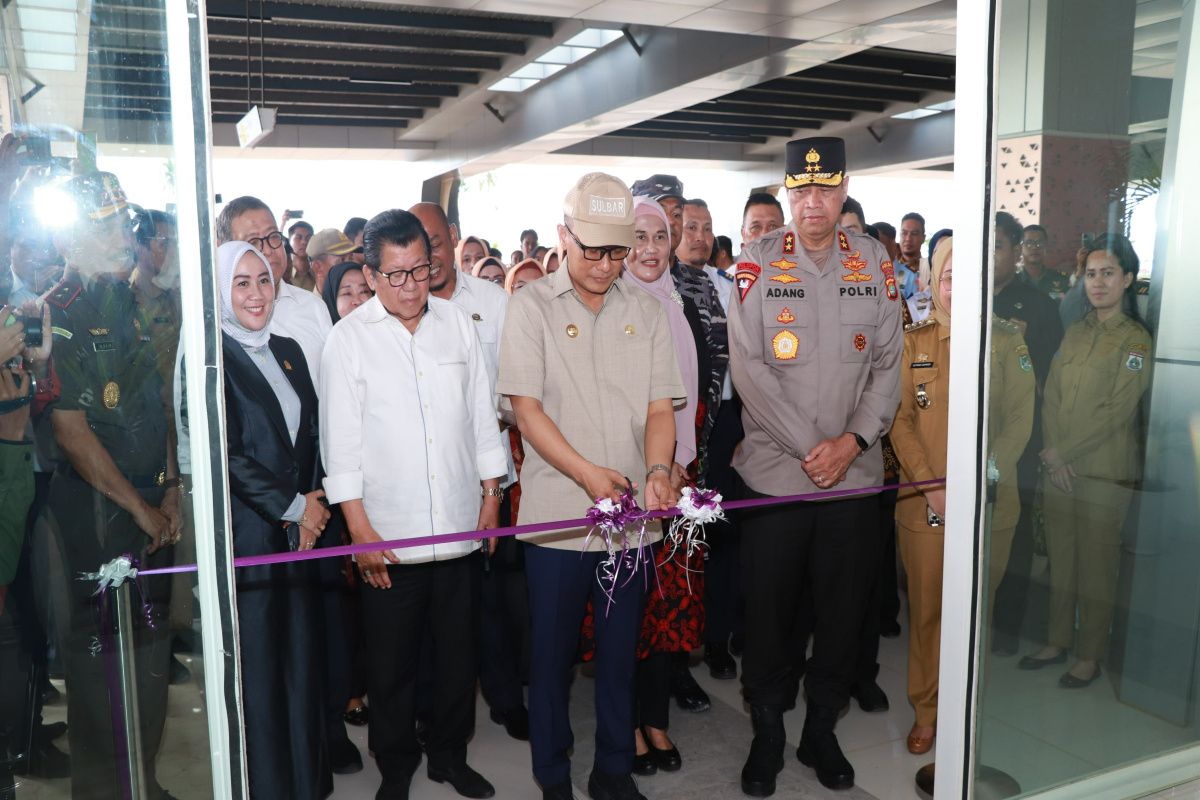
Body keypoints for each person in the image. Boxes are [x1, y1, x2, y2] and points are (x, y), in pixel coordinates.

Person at [497, 172, 685, 800]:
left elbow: (663, 409)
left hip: (630, 519)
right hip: (558, 517)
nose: (607, 266)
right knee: (550, 661)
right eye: (593, 250)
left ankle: (613, 770)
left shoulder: (647, 311)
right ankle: (552, 773)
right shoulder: (529, 308)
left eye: (618, 252)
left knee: (618, 654)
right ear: (564, 237)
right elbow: (527, 412)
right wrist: (587, 476)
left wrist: (658, 470)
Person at [727, 137, 902, 795]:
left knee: (842, 616)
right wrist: (812, 447)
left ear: (846, 186)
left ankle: (819, 731)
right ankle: (768, 732)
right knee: (768, 616)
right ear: (784, 192)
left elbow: (887, 362)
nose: (812, 203)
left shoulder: (875, 261)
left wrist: (852, 442)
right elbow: (750, 370)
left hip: (853, 483)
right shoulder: (757, 264)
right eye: (799, 191)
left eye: (824, 188)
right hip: (776, 479)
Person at [321, 209, 506, 800]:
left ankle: (451, 756)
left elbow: (482, 420)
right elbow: (341, 450)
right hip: (388, 536)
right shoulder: (347, 341)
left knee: (458, 656)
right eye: (395, 275)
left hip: (458, 523)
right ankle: (396, 766)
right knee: (391, 665)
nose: (410, 287)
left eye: (420, 271)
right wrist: (361, 533)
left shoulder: (457, 324)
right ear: (370, 274)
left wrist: (492, 497)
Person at [40, 171, 182, 799]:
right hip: (97, 515)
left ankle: (141, 781)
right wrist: (139, 507)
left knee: (150, 657)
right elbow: (71, 431)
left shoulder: (132, 300)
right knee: (99, 668)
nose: (124, 234)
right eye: (106, 224)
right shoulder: (60, 311)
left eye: (124, 221)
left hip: (153, 507)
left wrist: (172, 487)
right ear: (72, 236)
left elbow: (161, 401)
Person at [576, 197, 705, 779]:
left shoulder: (680, 307)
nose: (650, 248)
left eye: (660, 236)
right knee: (623, 613)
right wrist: (656, 467)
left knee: (667, 610)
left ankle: (656, 722)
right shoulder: (611, 309)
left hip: (679, 482)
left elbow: (692, 401)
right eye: (640, 237)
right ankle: (624, 724)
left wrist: (680, 465)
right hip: (628, 482)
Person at [889, 237, 1033, 756]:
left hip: (991, 504)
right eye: (949, 277)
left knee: (977, 614)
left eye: (969, 277)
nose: (957, 287)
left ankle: (969, 709)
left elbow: (1020, 418)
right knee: (927, 612)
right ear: (934, 281)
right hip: (925, 505)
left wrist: (985, 477)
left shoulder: (1007, 341)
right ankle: (927, 712)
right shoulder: (914, 342)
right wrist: (932, 487)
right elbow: (898, 421)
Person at [408, 201, 528, 742]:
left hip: (490, 474)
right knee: (437, 604)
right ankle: (435, 711)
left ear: (452, 238)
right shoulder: (405, 306)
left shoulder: (492, 303)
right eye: (417, 244)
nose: (427, 255)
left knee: (496, 596)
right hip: (428, 482)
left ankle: (505, 698)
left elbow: (509, 385)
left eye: (434, 241)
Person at [217, 240, 333, 799]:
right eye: (241, 283)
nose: (256, 294)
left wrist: (314, 501)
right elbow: (229, 454)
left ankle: (308, 786)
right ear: (221, 289)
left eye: (262, 280)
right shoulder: (214, 356)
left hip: (302, 535)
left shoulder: (287, 347)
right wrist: (295, 508)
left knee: (303, 665)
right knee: (261, 674)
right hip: (254, 537)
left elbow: (309, 434)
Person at [1019, 233, 1152, 689]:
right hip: (1061, 469)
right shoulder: (1075, 332)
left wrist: (1064, 452)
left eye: (1108, 273)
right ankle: (1057, 640)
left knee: (1097, 569)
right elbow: (1051, 392)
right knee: (1062, 559)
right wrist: (1055, 453)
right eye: (1091, 274)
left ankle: (1089, 655)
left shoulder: (1134, 341)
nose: (1097, 283)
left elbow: (1118, 411)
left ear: (1128, 279)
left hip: (1102, 472)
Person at [989, 212, 1065, 656]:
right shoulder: (963, 297)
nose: (990, 253)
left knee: (1013, 535)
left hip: (1019, 438)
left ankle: (1006, 626)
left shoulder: (1037, 305)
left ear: (1017, 252)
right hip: (970, 438)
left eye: (997, 244)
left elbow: (1049, 382)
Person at [216, 197, 332, 387]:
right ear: (224, 249)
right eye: (253, 241)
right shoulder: (211, 327)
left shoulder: (314, 307)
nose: (268, 250)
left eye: (273, 237)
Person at [1019, 224, 1070, 301]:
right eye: (1029, 243)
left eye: (1040, 243)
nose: (1034, 247)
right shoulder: (1012, 280)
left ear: (1046, 247)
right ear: (1021, 248)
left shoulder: (1062, 281)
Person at [306, 228, 361, 294]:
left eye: (351, 258)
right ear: (318, 267)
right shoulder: (310, 304)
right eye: (342, 260)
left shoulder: (363, 300)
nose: (349, 266)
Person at [897, 212, 927, 300]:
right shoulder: (888, 269)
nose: (908, 238)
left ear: (923, 238)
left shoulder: (930, 270)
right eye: (904, 233)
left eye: (914, 233)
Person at [286, 220, 316, 290]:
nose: (304, 242)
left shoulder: (318, 275)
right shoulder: (284, 275)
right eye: (298, 237)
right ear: (290, 241)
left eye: (308, 238)